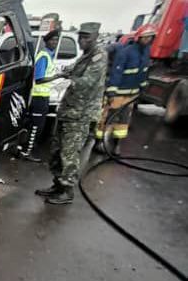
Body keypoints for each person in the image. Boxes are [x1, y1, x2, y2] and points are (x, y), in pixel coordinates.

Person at [35, 22, 108, 205]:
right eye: (80, 37)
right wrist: (63, 73)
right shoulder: (85, 56)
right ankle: (57, 185)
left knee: (69, 153)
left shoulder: (99, 56)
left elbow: (87, 82)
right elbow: (71, 70)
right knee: (57, 150)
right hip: (68, 110)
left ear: (95, 37)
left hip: (80, 115)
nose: (81, 41)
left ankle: (66, 190)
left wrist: (68, 80)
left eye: (86, 38)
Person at [96, 25, 155, 154]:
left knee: (124, 119)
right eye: (145, 37)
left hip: (132, 94)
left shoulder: (146, 52)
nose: (147, 40)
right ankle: (99, 141)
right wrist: (112, 90)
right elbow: (117, 72)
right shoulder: (126, 52)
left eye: (150, 37)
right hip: (118, 92)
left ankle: (117, 144)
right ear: (138, 37)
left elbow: (143, 72)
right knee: (108, 116)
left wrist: (143, 86)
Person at [22, 29, 60, 162]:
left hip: (43, 96)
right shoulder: (43, 56)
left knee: (36, 125)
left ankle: (25, 149)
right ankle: (27, 152)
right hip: (38, 97)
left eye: (56, 40)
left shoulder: (49, 56)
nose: (54, 42)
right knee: (36, 127)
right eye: (52, 40)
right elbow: (39, 79)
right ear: (46, 42)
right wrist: (58, 76)